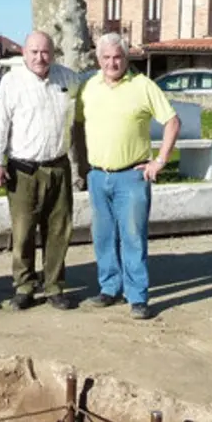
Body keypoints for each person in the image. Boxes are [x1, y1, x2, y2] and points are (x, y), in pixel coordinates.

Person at [74, 32, 179, 320]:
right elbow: (77, 127)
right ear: (98, 59)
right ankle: (109, 288)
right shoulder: (88, 87)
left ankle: (138, 296)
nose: (112, 63)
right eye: (106, 57)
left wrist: (160, 161)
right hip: (98, 176)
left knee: (133, 238)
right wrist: (84, 166)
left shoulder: (143, 86)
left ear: (127, 57)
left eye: (117, 57)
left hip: (132, 176)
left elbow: (172, 121)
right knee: (104, 237)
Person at [0, 31, 82, 311]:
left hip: (58, 167)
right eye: (34, 52)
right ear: (24, 53)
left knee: (58, 230)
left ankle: (54, 286)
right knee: (23, 231)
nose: (40, 58)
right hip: (23, 170)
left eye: (45, 52)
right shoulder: (11, 81)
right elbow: (1, 123)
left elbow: (79, 120)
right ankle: (25, 286)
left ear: (53, 54)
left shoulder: (68, 79)